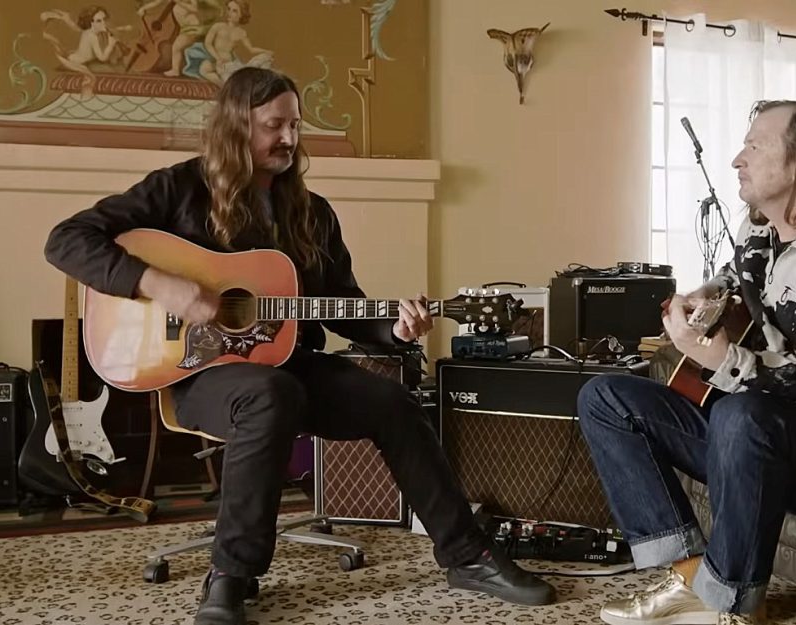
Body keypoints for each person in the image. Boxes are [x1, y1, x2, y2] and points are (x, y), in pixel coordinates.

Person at [44, 67, 555, 625]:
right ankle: (231, 577)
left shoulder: (311, 214)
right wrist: (159, 283)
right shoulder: (177, 189)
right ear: (236, 127)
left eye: (294, 125)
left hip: (289, 364)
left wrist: (397, 330)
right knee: (270, 394)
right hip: (198, 375)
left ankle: (467, 554)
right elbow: (65, 241)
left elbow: (345, 303)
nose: (288, 139)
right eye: (273, 126)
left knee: (392, 402)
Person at [578, 100, 796, 625]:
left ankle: (730, 605)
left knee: (741, 411)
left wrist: (720, 357)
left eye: (755, 146)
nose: (737, 158)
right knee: (605, 397)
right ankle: (690, 576)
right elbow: (732, 285)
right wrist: (698, 297)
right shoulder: (760, 236)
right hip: (756, 441)